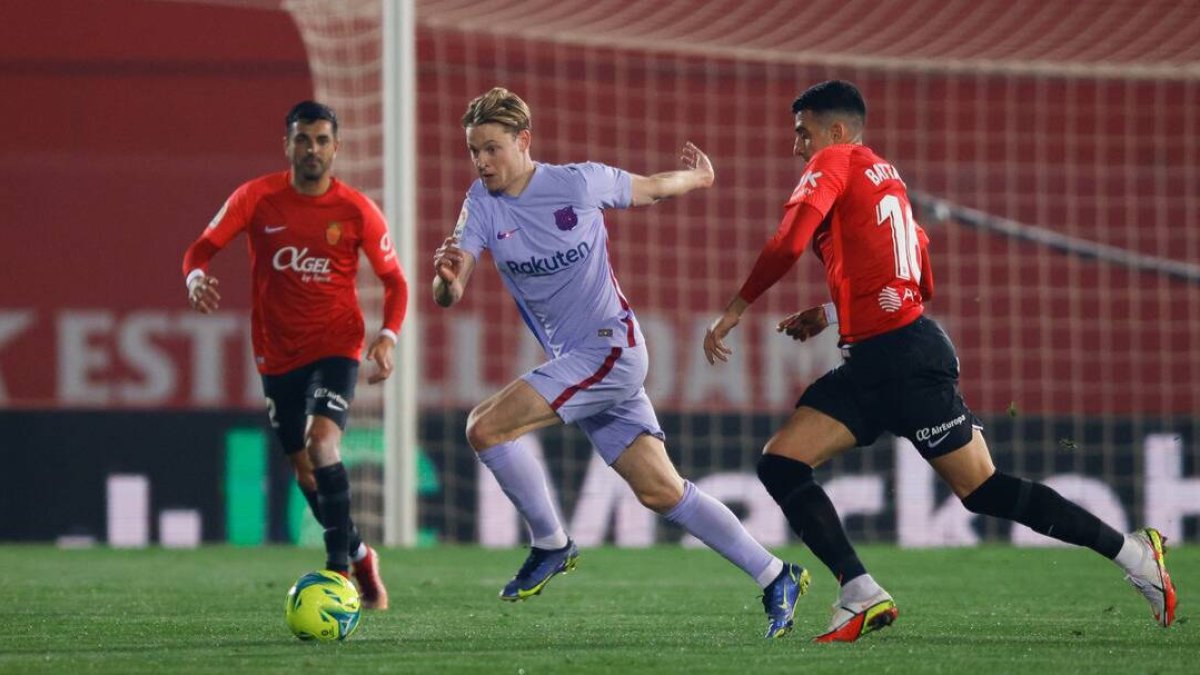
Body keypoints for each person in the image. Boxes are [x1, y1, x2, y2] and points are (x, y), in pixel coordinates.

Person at [702, 80, 1177, 642]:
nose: (796, 147)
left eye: (802, 132)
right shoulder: (889, 178)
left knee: (983, 491)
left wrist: (735, 309)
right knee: (782, 462)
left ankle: (1134, 552)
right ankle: (859, 592)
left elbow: (787, 241)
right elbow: (919, 279)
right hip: (889, 355)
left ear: (835, 130)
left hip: (901, 362)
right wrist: (831, 312)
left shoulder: (836, 159)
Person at [433, 87, 807, 638]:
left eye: (491, 148)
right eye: (473, 151)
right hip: (583, 363)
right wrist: (444, 280)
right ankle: (777, 574)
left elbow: (652, 189)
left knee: (484, 428)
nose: (481, 162)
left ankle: (551, 544)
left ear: (523, 142)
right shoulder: (481, 204)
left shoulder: (576, 183)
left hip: (611, 350)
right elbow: (454, 285)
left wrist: (699, 178)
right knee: (661, 491)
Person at [182, 100, 408, 610]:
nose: (312, 149)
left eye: (322, 140)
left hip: (337, 343)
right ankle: (361, 554)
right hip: (276, 353)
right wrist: (196, 279)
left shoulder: (356, 210)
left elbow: (395, 281)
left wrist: (388, 336)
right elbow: (200, 248)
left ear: (336, 148)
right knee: (305, 470)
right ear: (287, 144)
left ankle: (336, 574)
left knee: (323, 443)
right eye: (303, 139)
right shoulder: (256, 198)